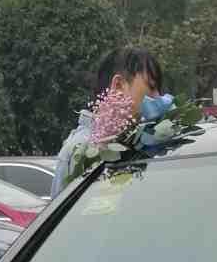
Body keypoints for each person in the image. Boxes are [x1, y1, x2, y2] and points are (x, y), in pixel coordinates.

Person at [51, 45, 164, 197]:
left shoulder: (138, 142)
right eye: (151, 87)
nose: (158, 97)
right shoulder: (80, 150)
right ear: (118, 85)